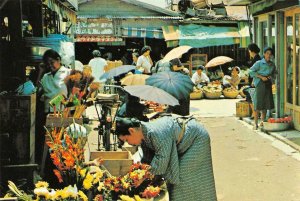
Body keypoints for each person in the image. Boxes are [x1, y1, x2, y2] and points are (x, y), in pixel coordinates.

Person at [115, 116, 217, 201]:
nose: (129, 143)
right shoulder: (144, 134)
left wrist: (143, 177)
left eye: (127, 139)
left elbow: (161, 161)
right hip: (183, 143)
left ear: (131, 130)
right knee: (179, 181)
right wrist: (140, 175)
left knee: (181, 179)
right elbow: (147, 160)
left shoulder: (156, 132)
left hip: (196, 139)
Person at [249, 47, 275, 129]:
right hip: (260, 84)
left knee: (266, 103)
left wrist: (271, 77)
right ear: (264, 54)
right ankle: (255, 123)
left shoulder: (272, 65)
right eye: (267, 53)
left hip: (268, 84)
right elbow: (250, 72)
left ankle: (262, 122)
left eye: (270, 54)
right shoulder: (259, 63)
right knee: (258, 104)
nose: (268, 55)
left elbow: (274, 73)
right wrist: (260, 77)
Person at [40, 49, 71, 113]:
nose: (50, 66)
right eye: (47, 64)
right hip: (47, 113)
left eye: (52, 62)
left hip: (63, 113)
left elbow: (74, 98)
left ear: (58, 60)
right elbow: (38, 93)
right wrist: (40, 72)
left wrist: (70, 112)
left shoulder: (68, 73)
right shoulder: (45, 77)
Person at [243, 43, 261, 119]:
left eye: (249, 50)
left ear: (251, 51)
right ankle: (256, 113)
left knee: (249, 96)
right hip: (256, 81)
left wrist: (253, 80)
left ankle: (255, 114)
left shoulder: (256, 59)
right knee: (251, 96)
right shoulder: (256, 58)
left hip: (255, 82)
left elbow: (257, 71)